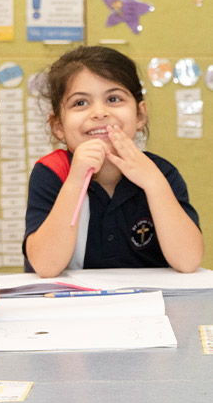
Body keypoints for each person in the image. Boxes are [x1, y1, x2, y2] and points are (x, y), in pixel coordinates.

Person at [23, 45, 204, 277]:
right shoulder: (51, 172)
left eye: (113, 98)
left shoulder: (161, 173)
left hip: (147, 306)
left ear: (140, 115)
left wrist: (153, 183)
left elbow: (188, 261)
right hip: (74, 306)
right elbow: (46, 266)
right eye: (80, 103)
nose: (99, 112)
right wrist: (76, 180)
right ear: (57, 124)